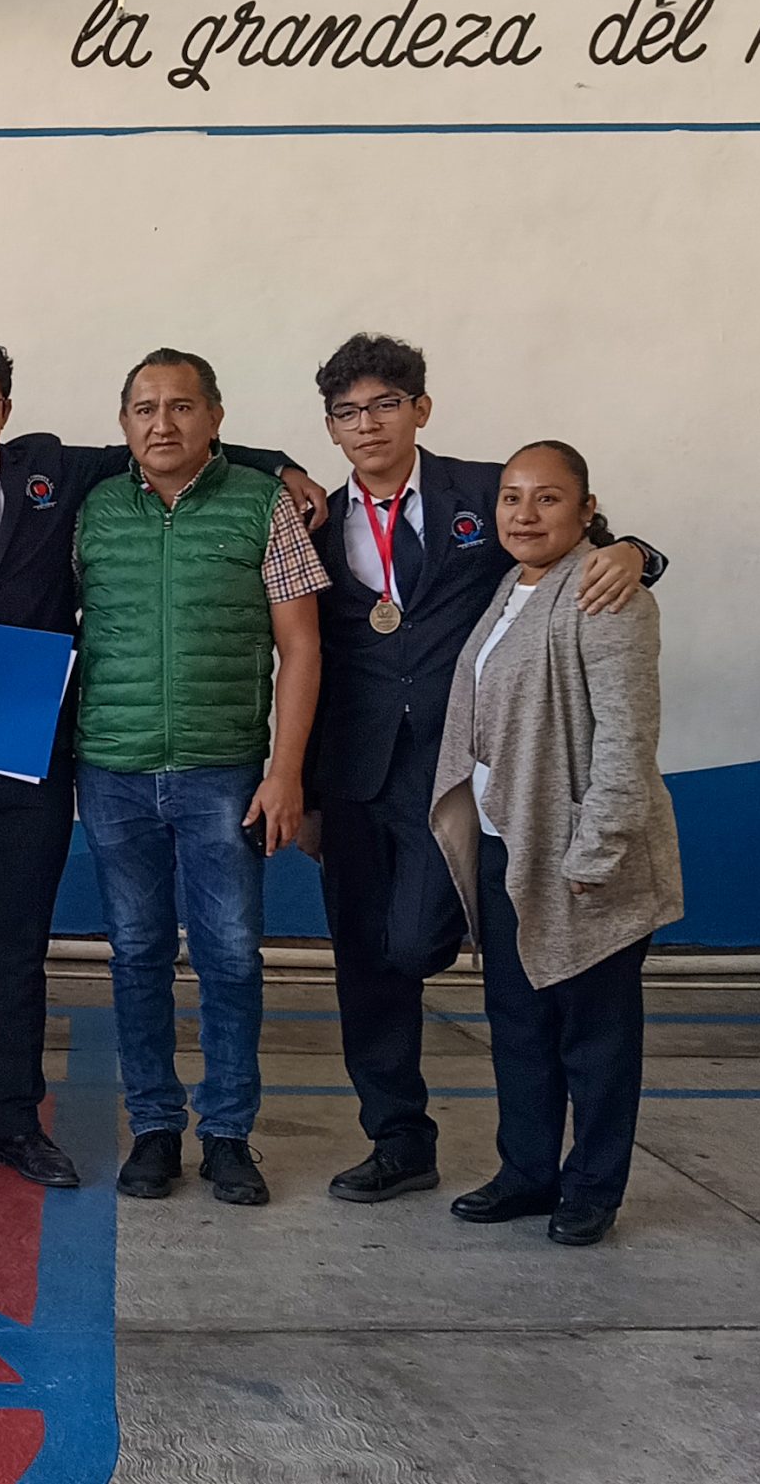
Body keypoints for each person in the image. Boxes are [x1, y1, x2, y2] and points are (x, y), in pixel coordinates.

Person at [0, 333, 319, 1189]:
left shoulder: (55, 476)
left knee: (18, 949)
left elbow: (165, 443)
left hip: (35, 763)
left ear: (6, 409)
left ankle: (16, 1121)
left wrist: (279, 464)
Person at [301, 333, 666, 1206]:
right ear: (331, 428)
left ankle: (568, 1168)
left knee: (412, 941)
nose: (368, 424)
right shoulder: (309, 517)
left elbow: (572, 535)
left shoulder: (487, 493)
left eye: (386, 404)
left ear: (420, 409)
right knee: (365, 965)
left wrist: (640, 552)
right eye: (348, 412)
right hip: (351, 769)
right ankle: (399, 1139)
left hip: (456, 776)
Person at [76, 348, 329, 1208]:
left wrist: (285, 770)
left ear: (216, 418)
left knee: (229, 955)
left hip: (225, 770)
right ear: (123, 423)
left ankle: (227, 1133)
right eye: (144, 408)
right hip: (112, 768)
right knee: (136, 953)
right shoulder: (94, 508)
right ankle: (153, 1126)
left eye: (182, 406)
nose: (163, 423)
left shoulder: (263, 504)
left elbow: (302, 646)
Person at [431, 441, 680, 1248]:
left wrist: (598, 849)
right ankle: (527, 1171)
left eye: (548, 498)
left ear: (586, 508)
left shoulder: (607, 590)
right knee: (519, 1022)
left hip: (579, 855)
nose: (525, 514)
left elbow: (626, 737)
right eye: (512, 497)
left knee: (595, 1034)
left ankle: (593, 1187)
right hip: (509, 845)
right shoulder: (509, 585)